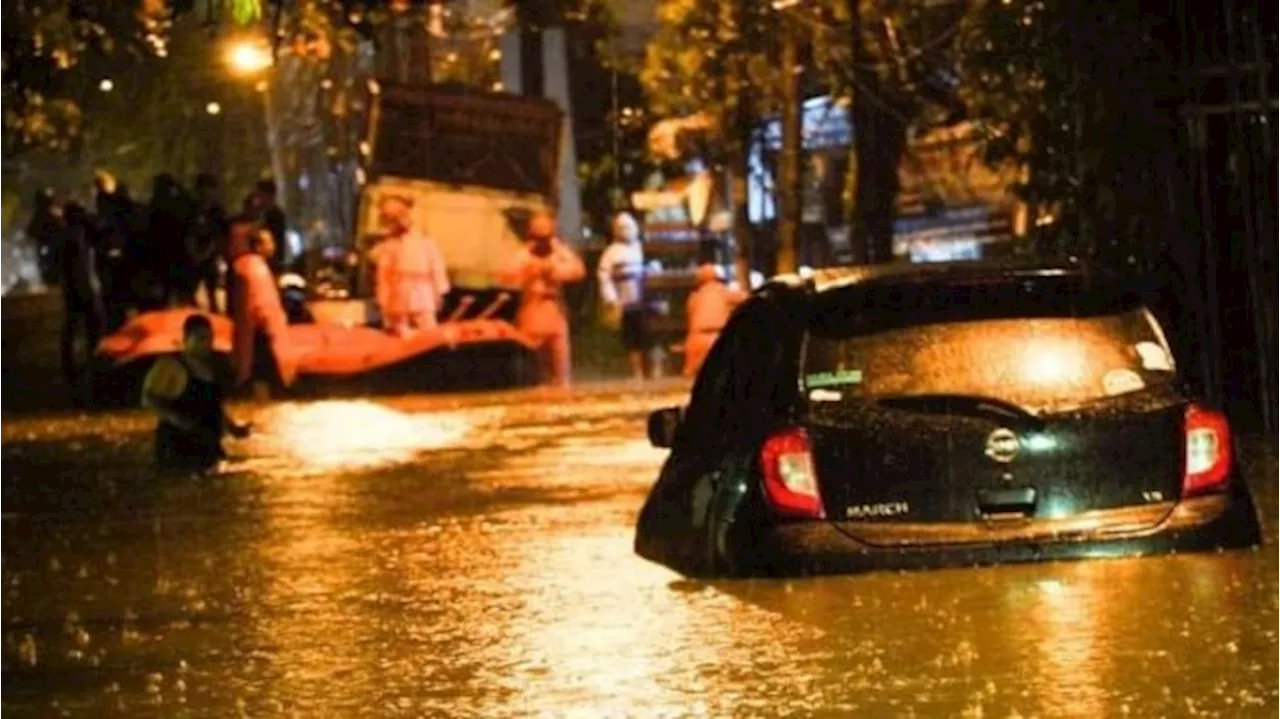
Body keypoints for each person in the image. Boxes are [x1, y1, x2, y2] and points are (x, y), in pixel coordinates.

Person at [142, 314, 251, 473]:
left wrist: (234, 429)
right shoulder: (170, 365)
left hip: (208, 448)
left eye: (209, 338)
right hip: (178, 448)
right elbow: (148, 398)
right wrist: (178, 419)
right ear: (186, 338)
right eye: (200, 338)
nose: (206, 344)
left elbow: (213, 405)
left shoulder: (211, 368)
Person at [499, 211, 586, 387]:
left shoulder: (559, 252)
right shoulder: (524, 255)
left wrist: (555, 271)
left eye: (546, 234)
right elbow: (506, 275)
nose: (542, 240)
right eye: (538, 234)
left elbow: (578, 271)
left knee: (561, 367)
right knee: (535, 367)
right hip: (532, 310)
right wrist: (530, 268)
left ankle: (562, 393)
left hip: (555, 311)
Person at [229, 216, 289, 400]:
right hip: (260, 330)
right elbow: (263, 302)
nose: (273, 246)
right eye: (269, 242)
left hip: (253, 329)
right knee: (263, 373)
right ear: (258, 246)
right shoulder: (254, 267)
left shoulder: (245, 265)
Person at [373, 194, 450, 335]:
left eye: (398, 216)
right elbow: (383, 275)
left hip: (423, 290)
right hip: (399, 289)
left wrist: (439, 291)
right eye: (390, 217)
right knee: (400, 325)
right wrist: (383, 300)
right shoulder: (389, 246)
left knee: (427, 325)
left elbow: (436, 266)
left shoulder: (425, 242)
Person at [596, 211, 657, 380]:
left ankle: (652, 370)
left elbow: (647, 268)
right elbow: (604, 276)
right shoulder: (611, 252)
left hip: (644, 298)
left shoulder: (641, 247)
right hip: (625, 299)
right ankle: (636, 372)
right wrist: (611, 298)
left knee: (648, 335)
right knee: (632, 338)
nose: (626, 230)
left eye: (629, 227)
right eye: (622, 227)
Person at [57, 203, 107, 407]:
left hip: (73, 289)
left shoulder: (65, 234)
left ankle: (73, 366)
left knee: (72, 328)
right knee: (92, 328)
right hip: (83, 289)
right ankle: (90, 367)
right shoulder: (77, 235)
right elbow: (82, 267)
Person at [683, 263, 746, 378]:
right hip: (719, 337)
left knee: (691, 375)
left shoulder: (694, 297)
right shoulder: (725, 292)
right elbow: (746, 299)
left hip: (697, 339)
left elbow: (691, 318)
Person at [186, 173, 228, 312]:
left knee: (212, 294)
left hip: (210, 257)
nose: (207, 194)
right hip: (191, 258)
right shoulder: (191, 209)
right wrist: (193, 253)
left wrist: (208, 253)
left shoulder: (217, 212)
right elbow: (187, 232)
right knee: (189, 294)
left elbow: (220, 235)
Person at [243, 179, 287, 276]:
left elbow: (276, 242)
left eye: (259, 194)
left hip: (272, 264)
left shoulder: (275, 215)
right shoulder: (261, 214)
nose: (257, 198)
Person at [26, 188, 63, 286]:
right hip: (49, 250)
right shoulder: (46, 215)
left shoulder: (54, 214)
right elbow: (31, 232)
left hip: (54, 250)